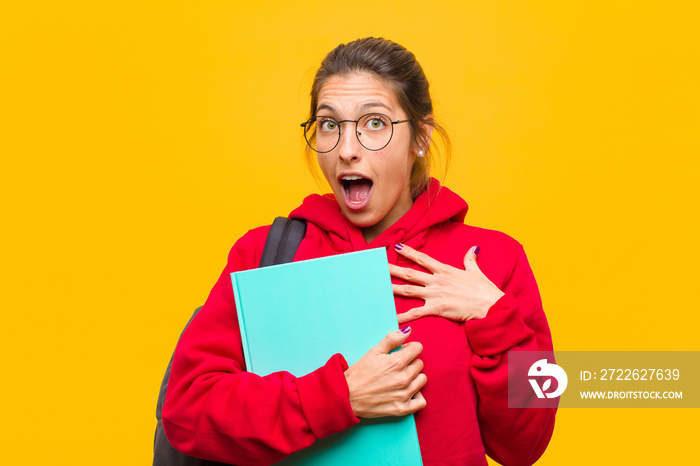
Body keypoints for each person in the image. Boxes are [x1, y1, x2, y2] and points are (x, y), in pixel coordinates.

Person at [162, 37, 556, 466]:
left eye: (374, 123)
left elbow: (525, 447)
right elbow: (187, 412)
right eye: (330, 125)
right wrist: (338, 397)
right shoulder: (265, 254)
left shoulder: (491, 260)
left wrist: (493, 317)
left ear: (420, 137)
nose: (347, 150)